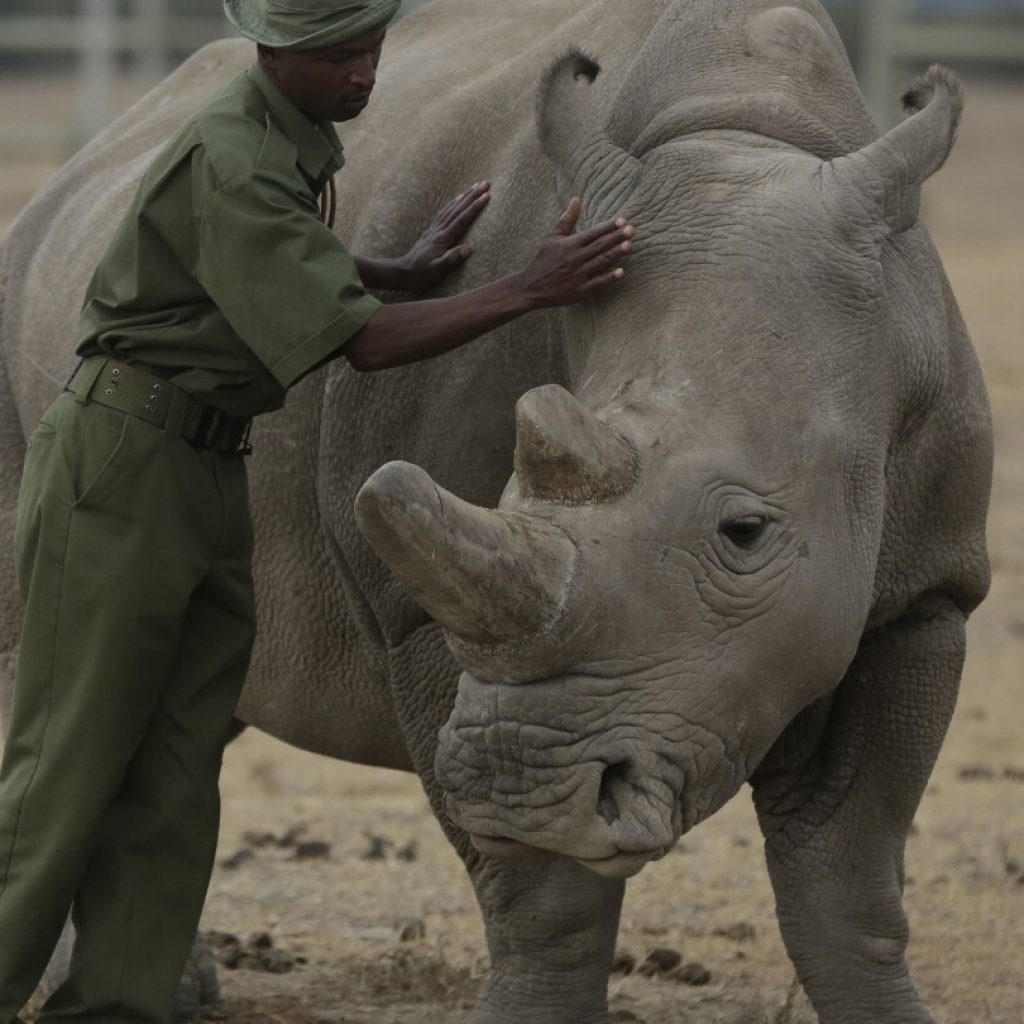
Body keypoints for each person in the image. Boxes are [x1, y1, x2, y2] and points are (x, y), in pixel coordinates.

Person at [0, 0, 634, 1020]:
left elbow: (248, 266)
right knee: (69, 756)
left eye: (371, 48)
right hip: (124, 462)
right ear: (273, 53)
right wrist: (526, 288)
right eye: (338, 54)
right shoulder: (232, 151)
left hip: (205, 460)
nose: (362, 73)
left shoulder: (289, 137)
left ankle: (115, 1003)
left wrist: (393, 269)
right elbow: (364, 344)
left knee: (176, 758)